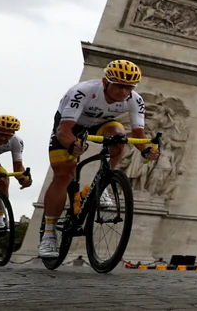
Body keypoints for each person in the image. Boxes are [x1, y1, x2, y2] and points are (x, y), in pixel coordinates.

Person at [38, 59, 160, 258]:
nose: (123, 92)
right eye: (119, 85)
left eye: (128, 87)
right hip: (71, 125)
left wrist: (146, 150)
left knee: (119, 136)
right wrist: (72, 145)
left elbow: (138, 135)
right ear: (105, 82)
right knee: (63, 174)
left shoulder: (135, 99)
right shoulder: (83, 91)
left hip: (102, 124)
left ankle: (102, 183)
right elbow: (64, 130)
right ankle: (49, 235)